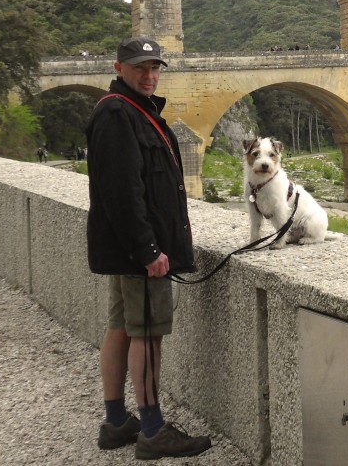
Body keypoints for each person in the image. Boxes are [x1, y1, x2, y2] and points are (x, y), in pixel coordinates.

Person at [85, 36, 211, 459]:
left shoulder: (133, 112)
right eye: (140, 68)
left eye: (155, 67)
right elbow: (122, 193)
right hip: (141, 252)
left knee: (121, 328)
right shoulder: (120, 114)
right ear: (119, 68)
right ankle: (153, 429)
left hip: (131, 249)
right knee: (148, 335)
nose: (150, 75)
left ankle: (117, 420)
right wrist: (148, 250)